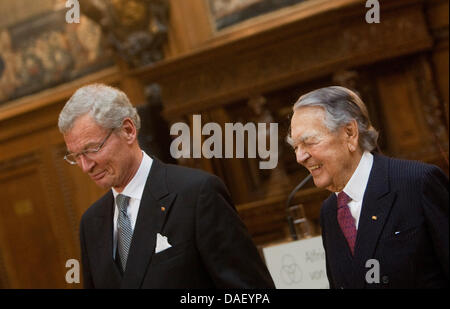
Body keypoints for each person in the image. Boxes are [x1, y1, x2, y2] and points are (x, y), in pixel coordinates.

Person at [58, 83, 275, 288]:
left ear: (128, 131)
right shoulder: (92, 223)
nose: (86, 166)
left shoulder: (197, 194)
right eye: (76, 156)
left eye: (92, 149)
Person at [288, 86, 449, 288]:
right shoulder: (329, 212)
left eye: (309, 141)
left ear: (350, 133)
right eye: (295, 147)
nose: (300, 157)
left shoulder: (418, 182)